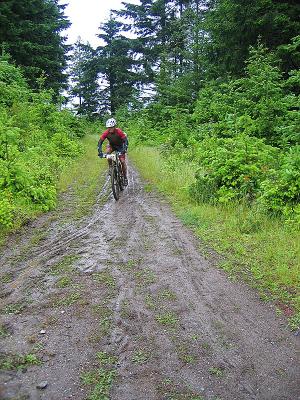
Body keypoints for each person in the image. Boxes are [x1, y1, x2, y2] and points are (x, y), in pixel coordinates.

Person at [97, 118, 128, 186]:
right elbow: (100, 142)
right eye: (108, 127)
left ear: (114, 126)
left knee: (122, 161)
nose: (110, 129)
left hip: (120, 146)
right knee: (108, 154)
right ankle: (110, 167)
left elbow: (125, 140)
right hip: (112, 145)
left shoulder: (119, 131)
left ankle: (125, 178)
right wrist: (100, 151)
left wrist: (124, 149)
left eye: (111, 127)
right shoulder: (106, 132)